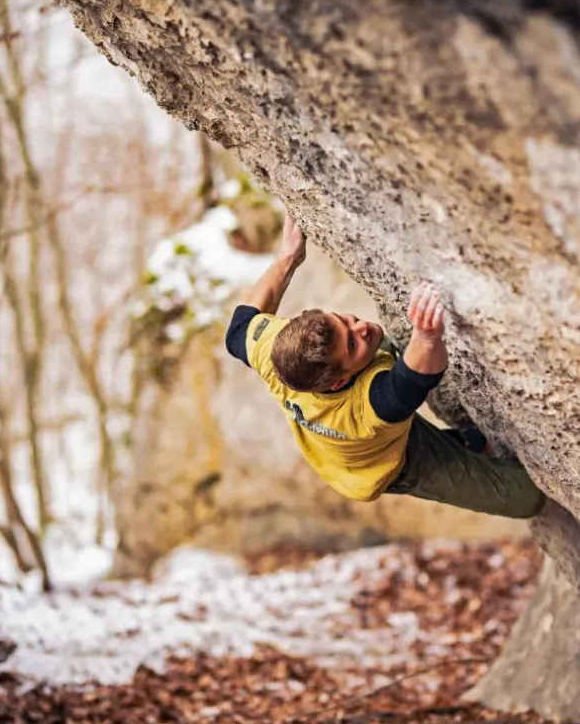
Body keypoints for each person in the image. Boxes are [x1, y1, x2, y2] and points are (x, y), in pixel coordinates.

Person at [224, 217, 546, 518]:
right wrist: (426, 335)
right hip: (389, 461)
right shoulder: (366, 410)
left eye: (343, 321)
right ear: (338, 383)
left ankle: (468, 442)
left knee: (380, 353)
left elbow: (238, 328)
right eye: (352, 344)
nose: (360, 327)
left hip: (367, 414)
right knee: (526, 497)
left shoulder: (277, 350)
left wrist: (288, 257)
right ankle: (464, 445)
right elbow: (413, 381)